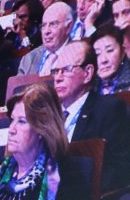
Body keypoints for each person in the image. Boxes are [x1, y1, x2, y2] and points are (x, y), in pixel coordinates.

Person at [52, 40, 130, 190]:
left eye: (66, 69)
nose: (58, 78)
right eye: (56, 71)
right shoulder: (50, 115)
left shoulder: (109, 110)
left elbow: (119, 169)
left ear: (87, 73)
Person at [18, 1, 73, 75]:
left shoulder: (78, 54)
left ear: (68, 27)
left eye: (53, 24)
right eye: (43, 26)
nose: (46, 31)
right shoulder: (28, 59)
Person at [92, 24, 130, 95]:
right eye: (97, 54)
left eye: (109, 50)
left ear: (123, 52)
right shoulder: (90, 87)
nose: (103, 60)